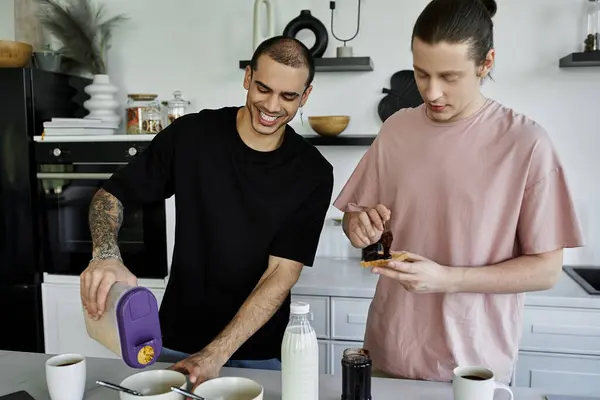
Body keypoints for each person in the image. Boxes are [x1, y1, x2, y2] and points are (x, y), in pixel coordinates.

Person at [333, 0, 584, 385]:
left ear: (486, 64)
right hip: (388, 352)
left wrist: (447, 279)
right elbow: (358, 222)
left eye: (449, 77)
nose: (432, 92)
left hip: (475, 367)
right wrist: (356, 226)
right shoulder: (397, 130)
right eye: (421, 73)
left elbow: (546, 269)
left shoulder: (526, 143)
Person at [80, 36, 334, 389]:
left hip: (258, 353)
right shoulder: (192, 136)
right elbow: (110, 196)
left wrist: (216, 353)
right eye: (263, 88)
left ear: (305, 96)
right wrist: (105, 254)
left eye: (288, 96)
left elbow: (281, 273)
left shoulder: (313, 172)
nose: (272, 106)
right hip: (173, 342)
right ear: (248, 77)